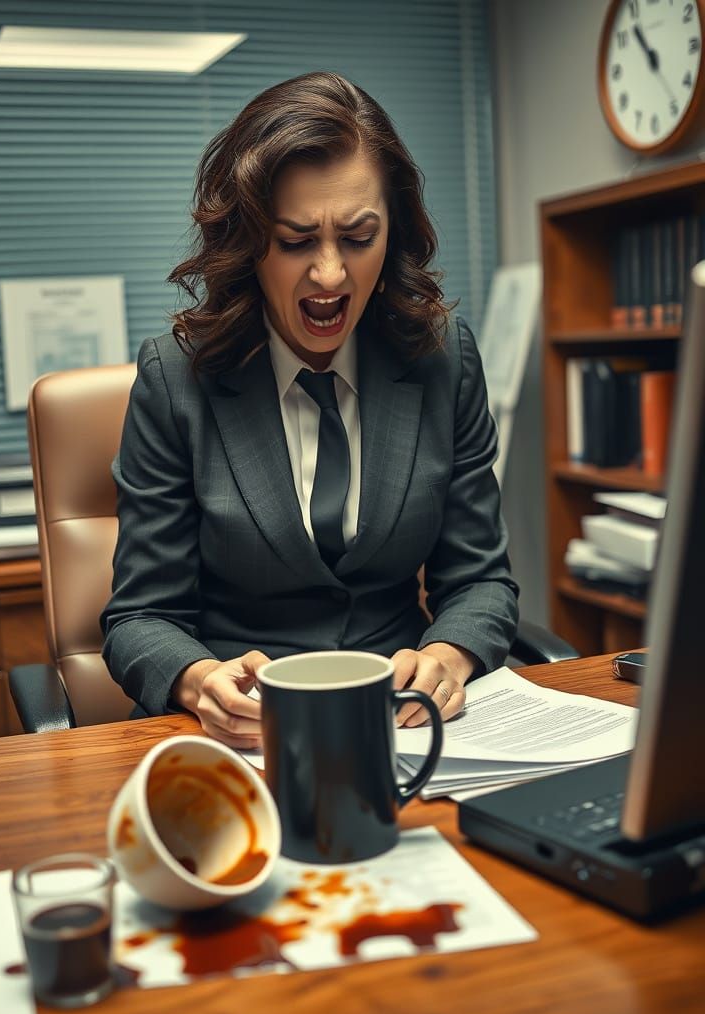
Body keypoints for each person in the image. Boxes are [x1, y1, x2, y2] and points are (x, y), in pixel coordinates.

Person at [100, 71, 519, 749]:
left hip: (400, 730)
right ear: (248, 242)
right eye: (296, 241)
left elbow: (480, 580)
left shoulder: (443, 360)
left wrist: (449, 657)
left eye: (358, 238)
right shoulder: (175, 380)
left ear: (394, 234)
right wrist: (199, 679)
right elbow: (140, 617)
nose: (330, 274)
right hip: (243, 737)